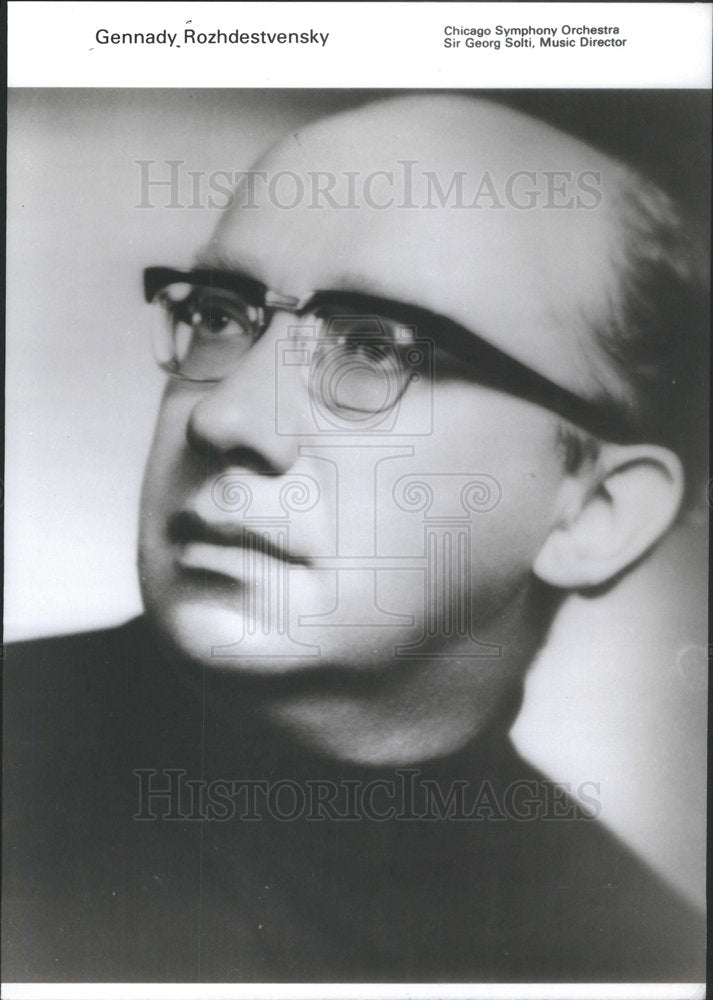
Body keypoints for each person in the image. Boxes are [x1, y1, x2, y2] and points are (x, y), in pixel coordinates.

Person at [3, 94, 707, 982]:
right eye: (222, 314)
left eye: (378, 348)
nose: (225, 417)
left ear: (595, 513)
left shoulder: (639, 965)